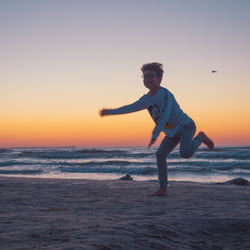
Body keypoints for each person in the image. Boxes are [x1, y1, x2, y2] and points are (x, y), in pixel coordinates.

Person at [99, 62, 214, 196]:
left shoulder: (165, 94)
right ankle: (163, 189)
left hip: (185, 127)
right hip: (172, 133)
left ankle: (201, 137)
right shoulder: (146, 99)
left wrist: (155, 135)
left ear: (159, 78)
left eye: (151, 76)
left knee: (185, 153)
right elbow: (130, 108)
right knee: (160, 155)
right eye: (145, 76)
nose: (147, 79)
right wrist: (110, 112)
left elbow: (164, 116)